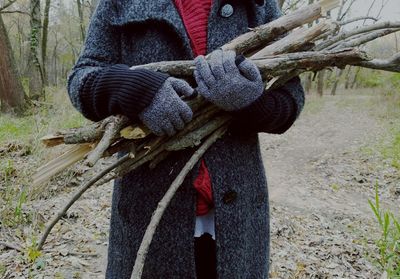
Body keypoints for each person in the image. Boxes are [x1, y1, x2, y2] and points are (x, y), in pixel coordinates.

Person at [67, 0, 305, 278]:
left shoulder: (258, 4)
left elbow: (291, 100)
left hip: (239, 220)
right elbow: (81, 79)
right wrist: (137, 91)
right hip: (148, 215)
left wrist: (250, 103)